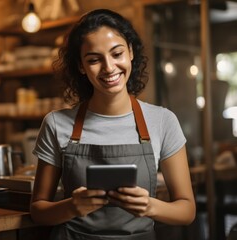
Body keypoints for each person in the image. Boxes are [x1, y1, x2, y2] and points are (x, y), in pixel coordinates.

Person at [30, 8, 196, 239]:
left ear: (130, 52)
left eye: (117, 54)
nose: (109, 68)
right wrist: (72, 207)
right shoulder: (56, 123)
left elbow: (187, 210)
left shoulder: (163, 121)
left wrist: (150, 206)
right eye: (94, 59)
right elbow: (38, 210)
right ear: (81, 66)